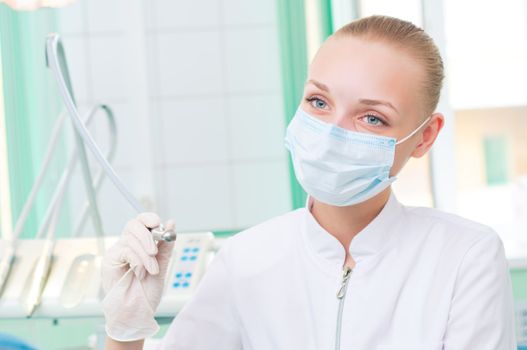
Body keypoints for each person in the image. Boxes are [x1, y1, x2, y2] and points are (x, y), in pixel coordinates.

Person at [101, 15, 516, 350]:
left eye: (372, 117)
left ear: (425, 136)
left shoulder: (464, 256)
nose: (333, 132)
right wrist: (125, 332)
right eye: (319, 102)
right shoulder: (246, 260)